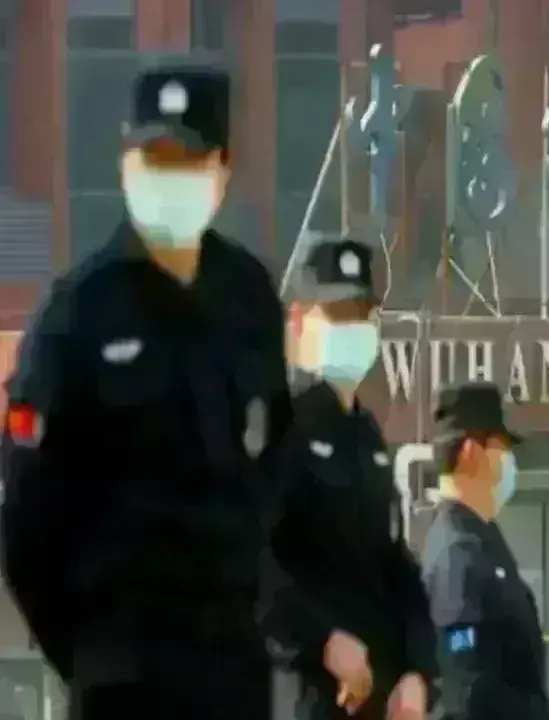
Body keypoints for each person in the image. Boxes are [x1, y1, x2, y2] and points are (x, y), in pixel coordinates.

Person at [0, 65, 291, 719]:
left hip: (232, 671)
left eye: (187, 161)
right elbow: (25, 514)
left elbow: (276, 462)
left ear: (222, 170)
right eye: (154, 159)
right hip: (123, 676)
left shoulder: (249, 299)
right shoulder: (79, 313)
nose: (169, 179)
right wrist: (87, 654)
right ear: (125, 165)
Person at [264, 236, 437, 720]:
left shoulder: (367, 438)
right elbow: (254, 564)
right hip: (308, 697)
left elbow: (396, 568)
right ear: (300, 322)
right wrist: (323, 639)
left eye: (362, 316)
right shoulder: (279, 431)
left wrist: (418, 672)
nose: (353, 330)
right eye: (337, 315)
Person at [420, 383, 549, 720]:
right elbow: (466, 688)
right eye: (502, 449)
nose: (510, 463)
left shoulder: (481, 539)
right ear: (471, 452)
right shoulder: (457, 554)